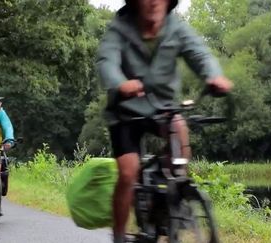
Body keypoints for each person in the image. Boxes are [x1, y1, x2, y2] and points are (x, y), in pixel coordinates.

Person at [96, 0, 233, 242]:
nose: (153, 2)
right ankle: (118, 234)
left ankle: (169, 206)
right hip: (126, 112)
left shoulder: (176, 28)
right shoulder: (120, 27)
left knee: (180, 147)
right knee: (128, 173)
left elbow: (200, 54)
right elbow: (106, 60)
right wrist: (120, 83)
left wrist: (214, 76)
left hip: (163, 108)